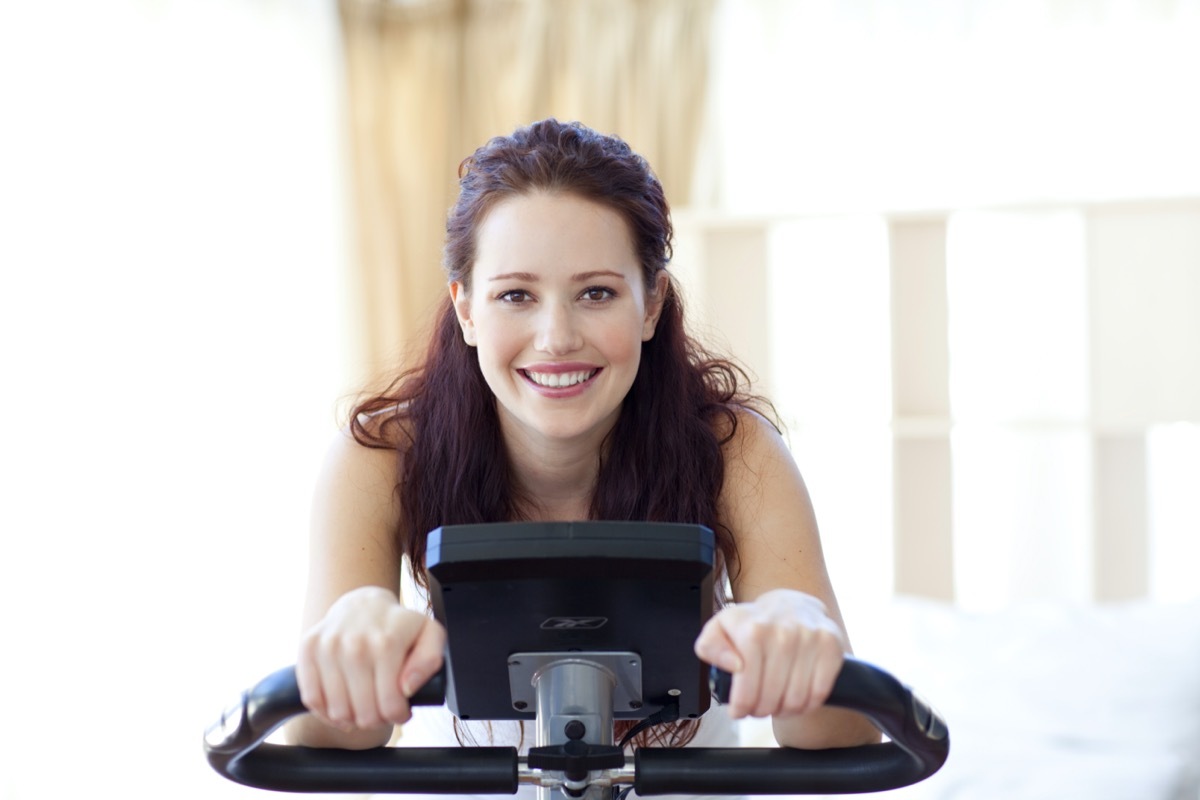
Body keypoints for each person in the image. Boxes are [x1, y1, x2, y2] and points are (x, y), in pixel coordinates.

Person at [286, 119, 880, 764]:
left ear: (651, 303)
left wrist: (803, 635)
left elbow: (841, 736)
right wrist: (347, 652)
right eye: (515, 294)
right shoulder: (380, 457)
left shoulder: (736, 451)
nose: (556, 338)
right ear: (466, 310)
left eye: (596, 293)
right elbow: (327, 741)